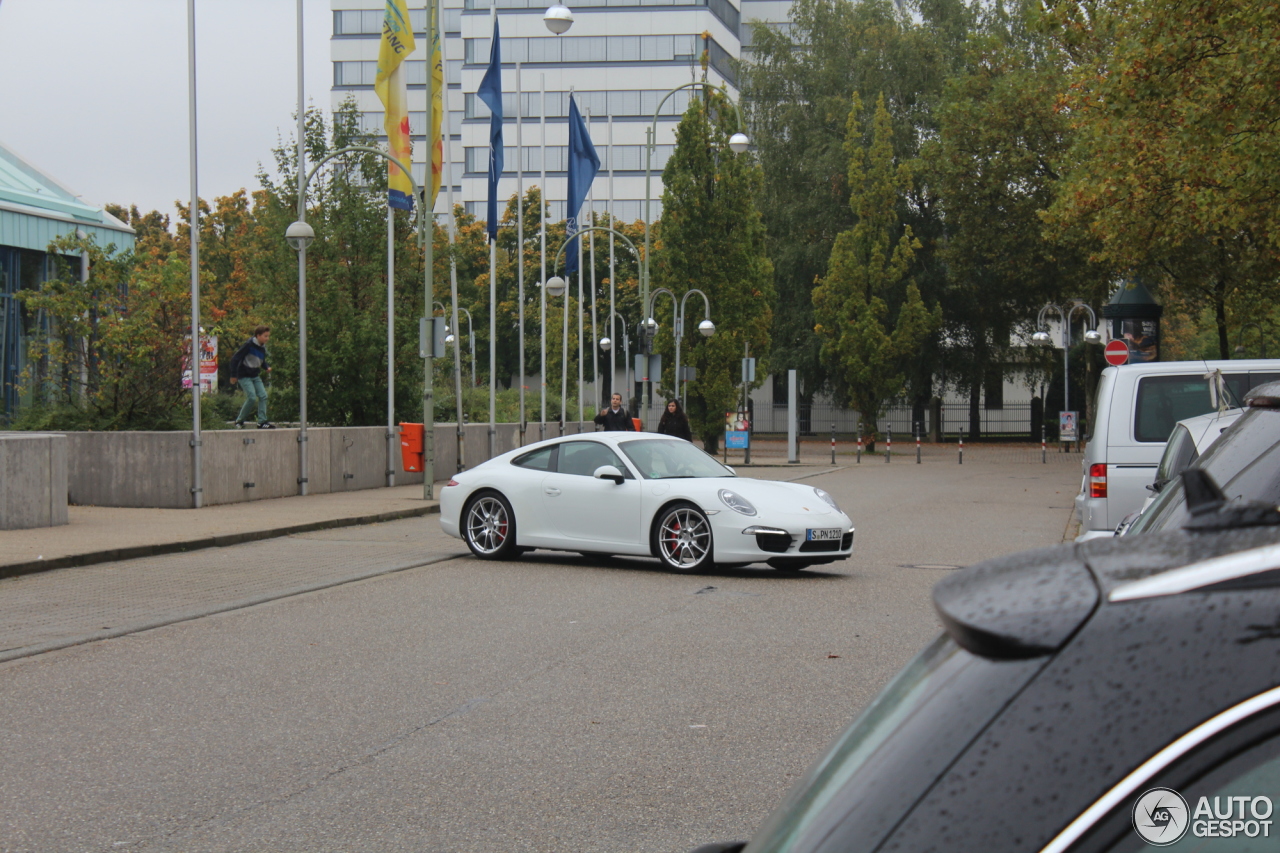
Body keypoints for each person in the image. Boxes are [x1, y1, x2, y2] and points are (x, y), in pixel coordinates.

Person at [229, 325, 275, 429]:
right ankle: (239, 421)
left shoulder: (262, 346)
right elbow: (235, 359)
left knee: (263, 396)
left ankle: (262, 422)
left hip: (255, 374)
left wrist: (266, 367)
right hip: (244, 375)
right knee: (252, 397)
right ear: (258, 336)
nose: (267, 338)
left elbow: (261, 360)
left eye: (268, 336)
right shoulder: (248, 345)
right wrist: (233, 375)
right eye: (265, 336)